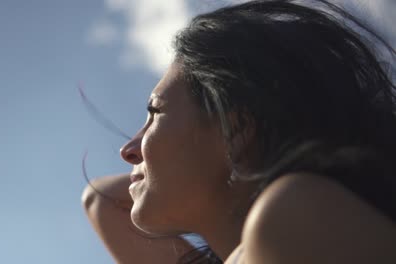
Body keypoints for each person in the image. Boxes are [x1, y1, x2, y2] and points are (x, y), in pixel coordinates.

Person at [82, 0, 396, 263]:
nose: (128, 150)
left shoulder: (292, 218)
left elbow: (105, 200)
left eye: (155, 113)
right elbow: (101, 200)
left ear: (238, 128)